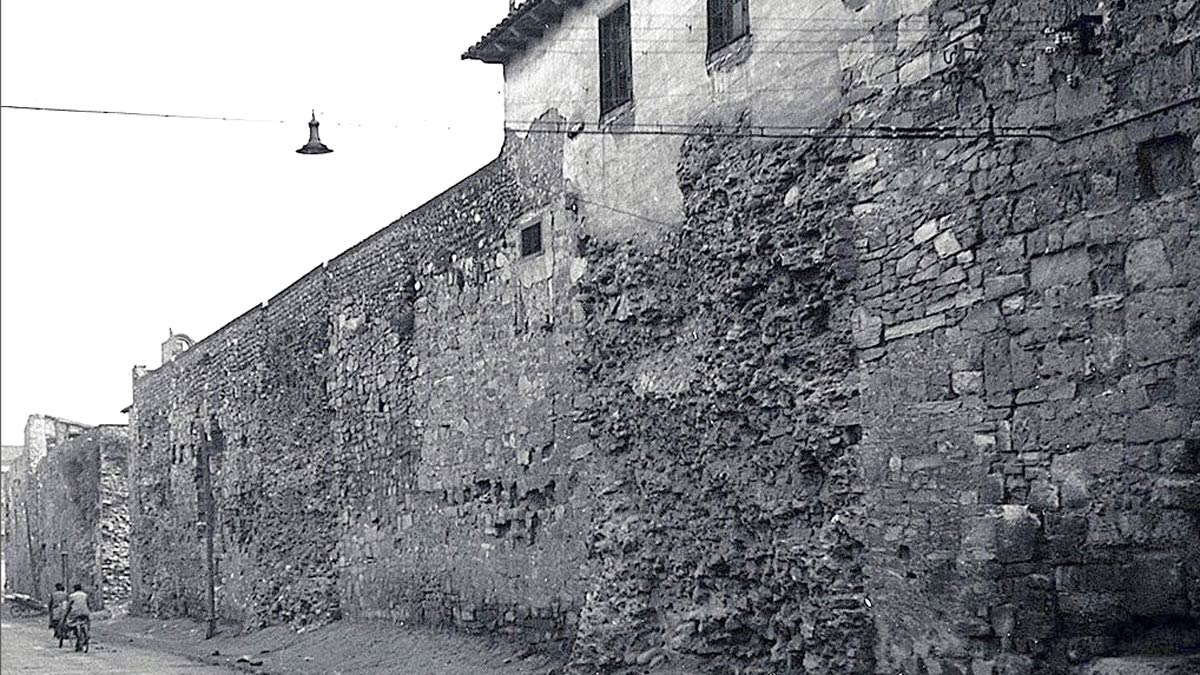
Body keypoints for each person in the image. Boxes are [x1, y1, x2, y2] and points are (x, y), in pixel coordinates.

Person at [64, 583, 91, 651]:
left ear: (74, 589)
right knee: (87, 621)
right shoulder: (85, 595)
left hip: (75, 613)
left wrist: (66, 614)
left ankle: (77, 635)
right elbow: (88, 604)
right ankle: (87, 633)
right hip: (85, 612)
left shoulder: (72, 596)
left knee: (71, 624)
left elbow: (69, 606)